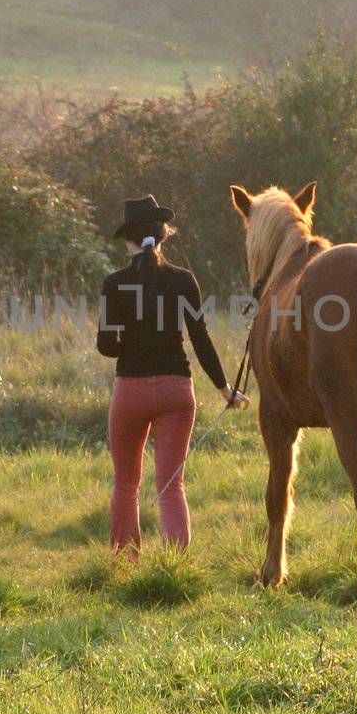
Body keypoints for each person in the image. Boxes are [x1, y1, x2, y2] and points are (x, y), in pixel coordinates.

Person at [96, 195, 244, 554]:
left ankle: (124, 564)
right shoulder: (183, 280)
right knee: (171, 484)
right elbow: (201, 339)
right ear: (163, 234)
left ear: (129, 240)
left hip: (130, 391)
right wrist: (225, 389)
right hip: (177, 391)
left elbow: (105, 345)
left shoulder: (115, 284)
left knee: (126, 483)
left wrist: (132, 345)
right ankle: (176, 567)